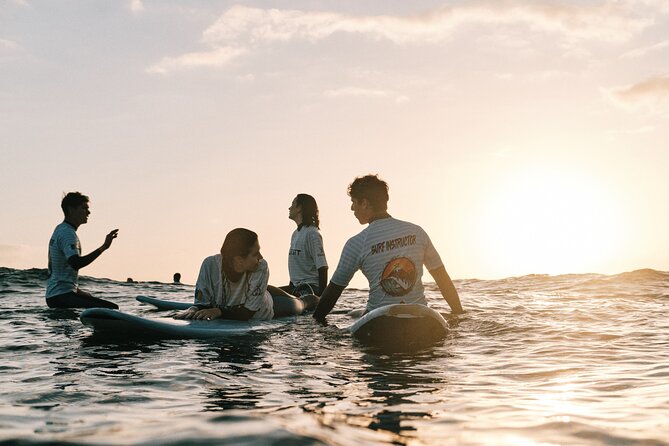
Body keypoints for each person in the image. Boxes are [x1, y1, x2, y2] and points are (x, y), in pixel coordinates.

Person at [313, 174, 463, 321]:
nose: (352, 208)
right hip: (420, 319)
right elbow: (442, 278)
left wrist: (315, 324)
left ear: (364, 203)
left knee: (354, 316)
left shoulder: (356, 243)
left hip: (380, 322)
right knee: (355, 313)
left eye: (354, 202)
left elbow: (333, 291)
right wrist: (459, 314)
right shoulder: (417, 232)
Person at [175, 228, 275, 321]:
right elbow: (203, 304)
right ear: (239, 260)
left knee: (287, 301)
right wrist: (193, 310)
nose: (261, 257)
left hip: (266, 309)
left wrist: (218, 311)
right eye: (255, 254)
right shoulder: (210, 265)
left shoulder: (261, 266)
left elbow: (248, 313)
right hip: (252, 294)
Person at [46, 192, 119, 309]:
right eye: (84, 208)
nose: (88, 212)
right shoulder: (67, 233)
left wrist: (77, 291)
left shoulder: (60, 229)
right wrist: (103, 247)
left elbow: (62, 271)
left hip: (56, 296)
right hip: (61, 296)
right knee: (112, 309)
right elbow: (76, 263)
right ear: (71, 210)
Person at [281, 194, 328, 296]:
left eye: (293, 204)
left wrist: (321, 298)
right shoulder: (295, 234)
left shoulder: (312, 234)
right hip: (295, 287)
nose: (289, 207)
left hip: (310, 288)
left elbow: (323, 268)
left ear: (300, 208)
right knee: (266, 292)